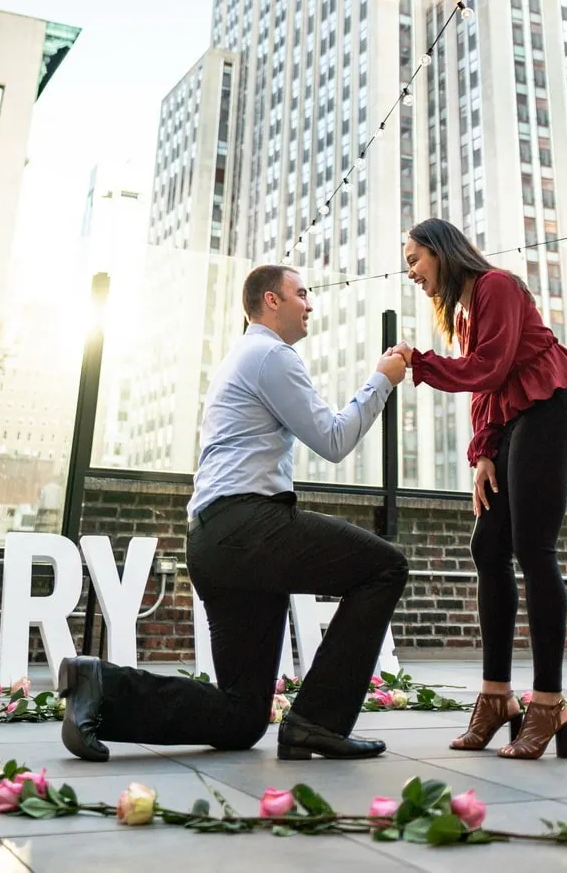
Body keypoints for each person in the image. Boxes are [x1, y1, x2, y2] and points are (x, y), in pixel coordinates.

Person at [60, 263, 408, 763]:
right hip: (248, 526)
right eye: (301, 293)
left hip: (214, 540)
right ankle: (317, 722)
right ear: (271, 300)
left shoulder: (239, 358)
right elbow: (333, 439)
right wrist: (382, 381)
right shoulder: (271, 355)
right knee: (384, 567)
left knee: (242, 716)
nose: (310, 305)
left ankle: (100, 687)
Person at [394, 218, 567, 761]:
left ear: (440, 251)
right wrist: (482, 452)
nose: (410, 272)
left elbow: (489, 367)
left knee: (533, 548)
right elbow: (487, 391)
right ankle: (496, 697)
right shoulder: (465, 310)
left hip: (550, 413)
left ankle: (548, 703)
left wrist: (419, 362)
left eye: (413, 260)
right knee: (488, 546)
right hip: (514, 422)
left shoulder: (496, 285)